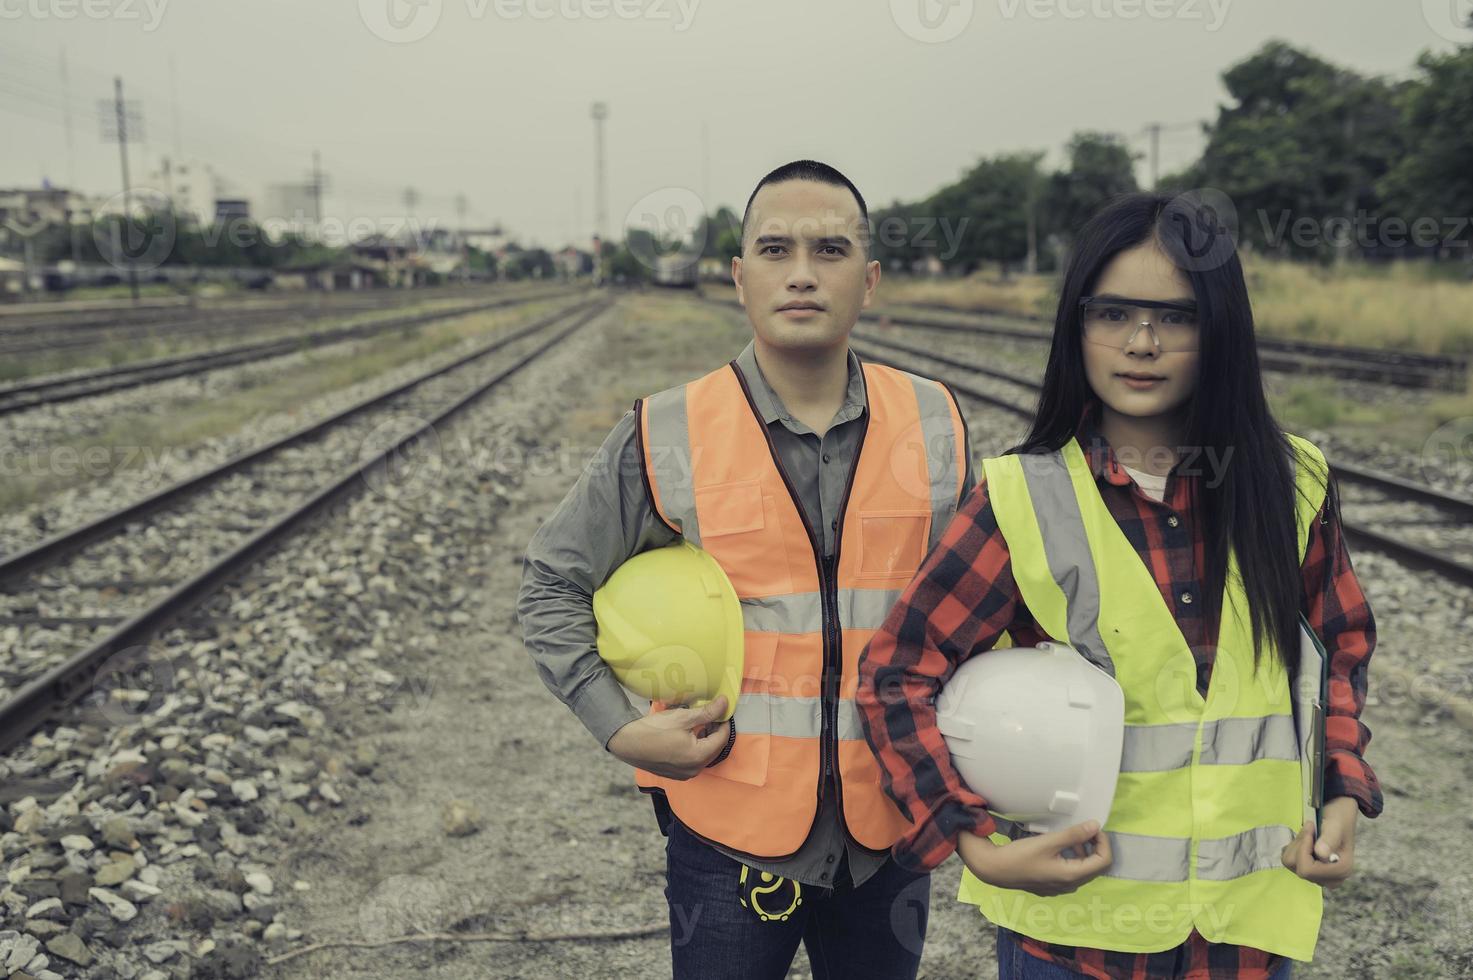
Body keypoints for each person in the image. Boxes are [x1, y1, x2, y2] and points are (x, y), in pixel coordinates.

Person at [857, 191, 1382, 980]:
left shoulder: (1290, 483)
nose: (1141, 343)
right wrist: (967, 841)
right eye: (1112, 314)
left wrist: (1339, 789)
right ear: (1077, 326)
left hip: (1245, 930)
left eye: (1175, 317)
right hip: (1077, 937)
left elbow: (1335, 651)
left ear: (1220, 331)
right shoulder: (1018, 498)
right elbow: (895, 674)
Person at [518, 159, 975, 978]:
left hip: (888, 838)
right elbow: (551, 583)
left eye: (829, 251)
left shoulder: (935, 424)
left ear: (868, 280)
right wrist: (618, 728)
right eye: (774, 250)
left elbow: (978, 611)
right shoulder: (666, 430)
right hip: (726, 841)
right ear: (737, 276)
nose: (801, 274)